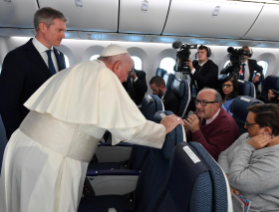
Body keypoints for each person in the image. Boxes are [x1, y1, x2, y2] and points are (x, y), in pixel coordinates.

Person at [0, 44, 184, 212]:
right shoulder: (104, 75)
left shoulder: (82, 68)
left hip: (27, 147)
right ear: (117, 65)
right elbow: (127, 127)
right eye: (127, 72)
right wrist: (161, 129)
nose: (125, 78)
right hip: (51, 157)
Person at [0, 7, 67, 139]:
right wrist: (16, 140)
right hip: (28, 135)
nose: (63, 35)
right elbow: (8, 105)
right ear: (43, 27)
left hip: (55, 135)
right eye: (59, 30)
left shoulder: (60, 57)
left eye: (64, 31)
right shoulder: (17, 57)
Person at [218, 104, 279, 211]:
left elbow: (237, 179)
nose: (245, 127)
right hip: (232, 197)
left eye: (248, 124)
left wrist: (247, 147)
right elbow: (224, 155)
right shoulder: (250, 136)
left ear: (266, 130)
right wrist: (227, 178)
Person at [184, 89, 238, 160]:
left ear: (216, 105)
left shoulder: (226, 126)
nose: (198, 106)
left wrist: (195, 131)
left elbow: (212, 156)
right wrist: (186, 130)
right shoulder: (202, 113)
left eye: (204, 102)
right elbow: (191, 137)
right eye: (197, 101)